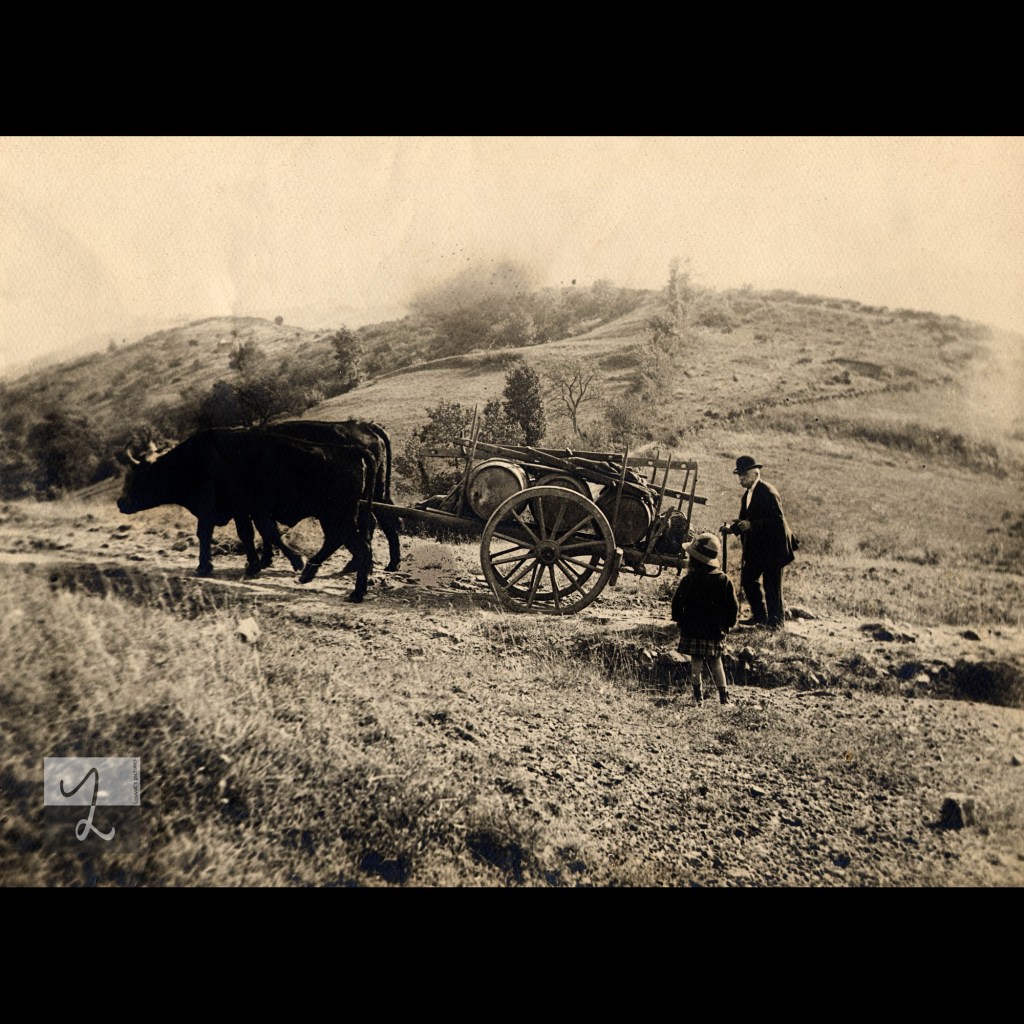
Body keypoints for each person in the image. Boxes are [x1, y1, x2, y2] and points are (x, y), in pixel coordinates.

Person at [728, 455, 797, 630]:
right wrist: (732, 528)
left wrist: (752, 525)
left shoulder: (768, 492)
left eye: (743, 476)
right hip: (759, 548)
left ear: (754, 473)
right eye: (739, 476)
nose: (740, 480)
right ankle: (760, 617)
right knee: (748, 578)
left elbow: (777, 521)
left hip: (775, 546)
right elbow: (744, 519)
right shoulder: (748, 495)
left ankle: (776, 623)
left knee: (772, 584)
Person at [671, 532, 738, 705]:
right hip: (715, 631)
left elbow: (677, 603)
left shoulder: (689, 580)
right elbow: (733, 607)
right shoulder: (724, 580)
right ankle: (724, 697)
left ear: (694, 559)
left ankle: (697, 698)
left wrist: (680, 620)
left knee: (696, 663)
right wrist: (728, 625)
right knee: (717, 663)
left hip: (693, 629)